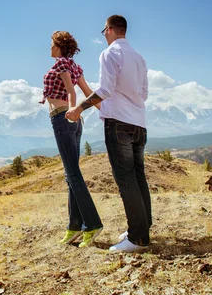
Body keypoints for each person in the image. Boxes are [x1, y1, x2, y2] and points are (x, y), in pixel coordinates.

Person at [66, 15, 151, 253]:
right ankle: (143, 227)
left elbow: (105, 89)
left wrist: (78, 108)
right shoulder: (140, 58)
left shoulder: (110, 54)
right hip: (139, 123)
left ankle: (138, 238)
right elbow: (143, 94)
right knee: (138, 177)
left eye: (104, 30)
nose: (103, 34)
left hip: (118, 123)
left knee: (126, 179)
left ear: (111, 30)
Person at [41, 31, 103, 248]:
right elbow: (88, 91)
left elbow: (72, 92)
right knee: (71, 175)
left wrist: (72, 110)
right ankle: (74, 226)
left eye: (51, 43)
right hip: (74, 122)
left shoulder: (61, 64)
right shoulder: (75, 66)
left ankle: (92, 224)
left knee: (73, 174)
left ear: (58, 45)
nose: (49, 47)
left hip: (63, 118)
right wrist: (105, 111)